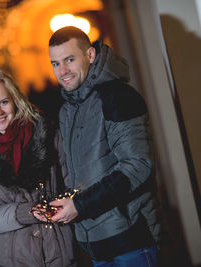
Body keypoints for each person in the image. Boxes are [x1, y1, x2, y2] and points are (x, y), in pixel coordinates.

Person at [46, 26, 163, 266]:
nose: (63, 71)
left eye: (69, 59)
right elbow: (82, 173)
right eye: (55, 63)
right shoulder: (68, 109)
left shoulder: (117, 96)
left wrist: (79, 205)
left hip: (131, 239)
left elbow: (138, 166)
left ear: (90, 55)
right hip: (96, 244)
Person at [0, 69, 79, 266]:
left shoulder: (50, 136)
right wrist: (24, 212)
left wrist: (69, 204)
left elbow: (72, 185)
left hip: (60, 254)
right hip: (11, 259)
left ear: (15, 100)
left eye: (3, 102)